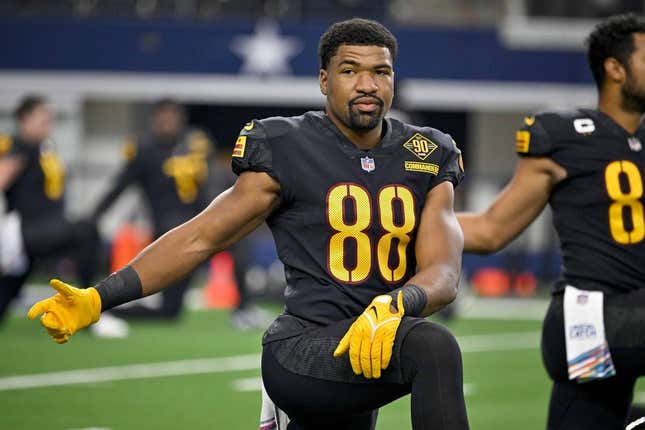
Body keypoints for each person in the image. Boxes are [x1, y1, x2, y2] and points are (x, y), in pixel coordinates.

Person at [27, 19, 469, 429]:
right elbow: (200, 237)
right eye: (350, 70)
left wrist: (397, 303)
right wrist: (100, 297)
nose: (367, 84)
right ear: (323, 80)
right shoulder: (286, 144)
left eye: (381, 71)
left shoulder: (425, 153)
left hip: (377, 342)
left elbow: (444, 273)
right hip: (305, 349)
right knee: (434, 348)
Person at [457, 14, 645, 430]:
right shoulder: (569, 135)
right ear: (615, 69)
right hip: (588, 320)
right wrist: (398, 223)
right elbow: (491, 229)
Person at [91, 98, 266, 328]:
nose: (167, 123)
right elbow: (120, 185)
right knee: (169, 311)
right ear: (155, 120)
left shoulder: (196, 141)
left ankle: (243, 309)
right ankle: (108, 311)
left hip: (204, 220)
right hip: (172, 233)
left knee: (240, 241)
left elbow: (215, 177)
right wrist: (94, 216)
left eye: (172, 117)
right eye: (163, 118)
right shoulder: (144, 149)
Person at [0, 95, 126, 337]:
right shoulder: (19, 145)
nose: (47, 123)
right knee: (86, 231)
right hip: (28, 229)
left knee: (7, 290)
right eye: (41, 118)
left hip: (45, 228)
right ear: (24, 119)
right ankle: (91, 312)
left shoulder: (43, 147)